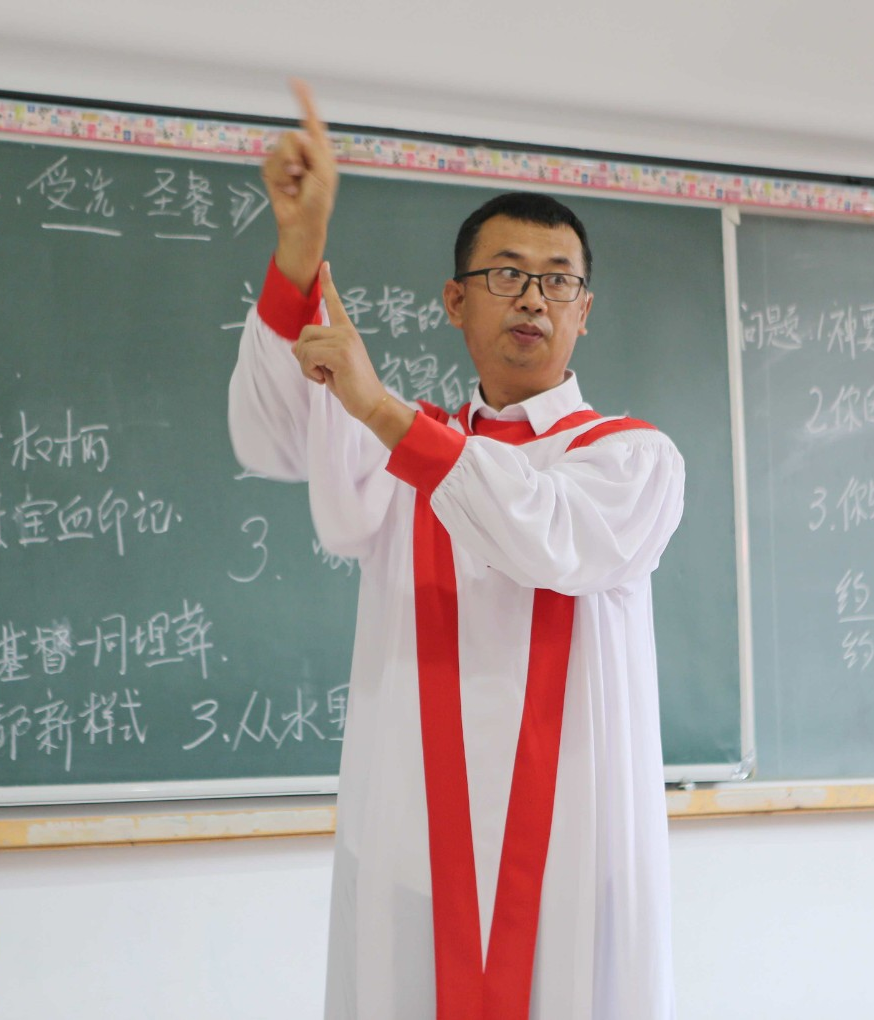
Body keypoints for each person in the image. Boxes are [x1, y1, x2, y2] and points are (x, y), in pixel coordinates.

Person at [228, 81, 685, 1020]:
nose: (533, 298)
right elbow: (276, 429)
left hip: (574, 864)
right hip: (416, 858)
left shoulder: (633, 460)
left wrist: (384, 409)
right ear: (455, 300)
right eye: (506, 274)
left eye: (559, 279)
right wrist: (300, 252)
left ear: (585, 311)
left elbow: (547, 534)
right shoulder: (408, 455)